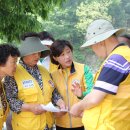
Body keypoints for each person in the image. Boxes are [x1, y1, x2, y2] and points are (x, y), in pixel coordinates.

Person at [70, 19, 130, 130]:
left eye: (92, 47)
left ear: (100, 42)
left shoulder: (116, 60)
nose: (94, 51)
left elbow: (95, 98)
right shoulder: (125, 55)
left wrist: (78, 107)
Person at [4, 37, 65, 130]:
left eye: (39, 53)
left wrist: (60, 102)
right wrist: (29, 107)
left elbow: (53, 92)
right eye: (33, 53)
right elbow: (10, 100)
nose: (37, 56)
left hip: (47, 124)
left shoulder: (44, 70)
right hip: (27, 126)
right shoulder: (13, 72)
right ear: (24, 54)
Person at [50, 40, 93, 130]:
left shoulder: (83, 69)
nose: (67, 57)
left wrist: (82, 95)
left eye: (68, 52)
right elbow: (51, 96)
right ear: (55, 58)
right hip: (61, 123)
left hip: (82, 121)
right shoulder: (53, 75)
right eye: (62, 55)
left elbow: (93, 91)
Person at [0, 44, 20, 130]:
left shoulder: (2, 84)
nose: (16, 66)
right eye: (13, 62)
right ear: (1, 62)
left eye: (16, 62)